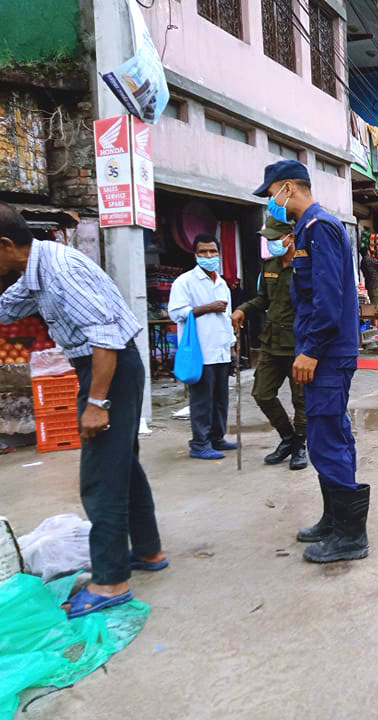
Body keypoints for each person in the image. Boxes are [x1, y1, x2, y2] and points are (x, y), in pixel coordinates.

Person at [0, 202, 165, 618]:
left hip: (108, 369)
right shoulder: (36, 271)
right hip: (105, 367)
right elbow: (8, 308)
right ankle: (147, 551)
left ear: (4, 245)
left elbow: (106, 339)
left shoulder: (60, 272)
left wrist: (96, 403)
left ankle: (110, 581)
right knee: (123, 465)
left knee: (100, 477)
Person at [253, 160, 367, 564]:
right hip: (327, 352)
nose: (271, 204)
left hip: (328, 355)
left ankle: (350, 537)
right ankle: (334, 520)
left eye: (271, 195)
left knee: (327, 437)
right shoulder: (307, 229)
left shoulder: (319, 229)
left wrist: (311, 350)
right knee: (328, 436)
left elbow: (328, 300)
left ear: (287, 188)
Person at [231, 217, 307, 471]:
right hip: (272, 342)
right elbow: (263, 299)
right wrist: (242, 309)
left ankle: (300, 445)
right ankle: (287, 437)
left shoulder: (306, 264)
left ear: (291, 237)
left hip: (298, 345)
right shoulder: (269, 265)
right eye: (269, 238)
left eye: (276, 238)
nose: (271, 243)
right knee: (261, 394)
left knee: (302, 401)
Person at [168, 233, 237, 460]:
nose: (208, 256)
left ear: (218, 253)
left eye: (212, 252)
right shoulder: (185, 282)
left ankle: (217, 437)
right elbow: (176, 312)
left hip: (220, 349)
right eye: (203, 252)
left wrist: (232, 346)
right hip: (200, 351)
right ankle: (199, 443)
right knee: (201, 400)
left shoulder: (222, 283)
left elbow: (226, 317)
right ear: (195, 255)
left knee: (220, 398)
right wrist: (206, 308)